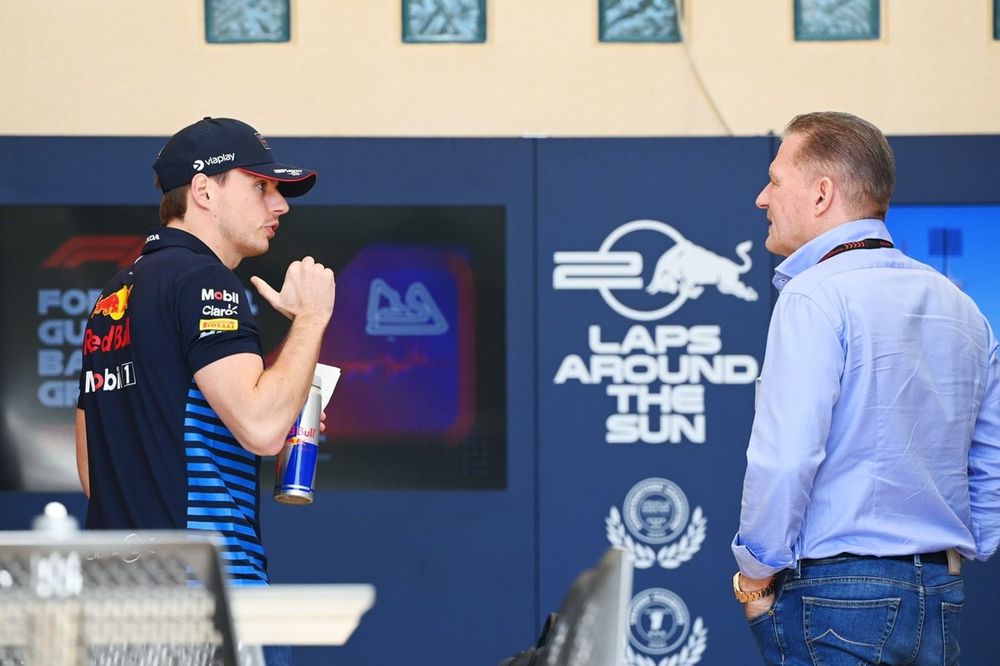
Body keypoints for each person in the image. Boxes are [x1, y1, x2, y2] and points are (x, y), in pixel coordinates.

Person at [730, 111, 1000, 665]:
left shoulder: (813, 297)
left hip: (838, 598)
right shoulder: (963, 308)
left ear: (822, 193)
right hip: (940, 592)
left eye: (776, 180)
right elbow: (990, 463)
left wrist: (754, 580)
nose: (762, 198)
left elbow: (785, 459)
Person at [76, 118, 334, 659]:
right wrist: (310, 320)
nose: (279, 205)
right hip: (208, 602)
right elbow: (262, 426)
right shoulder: (203, 279)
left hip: (120, 607)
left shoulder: (115, 293)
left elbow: (92, 468)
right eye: (260, 186)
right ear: (204, 190)